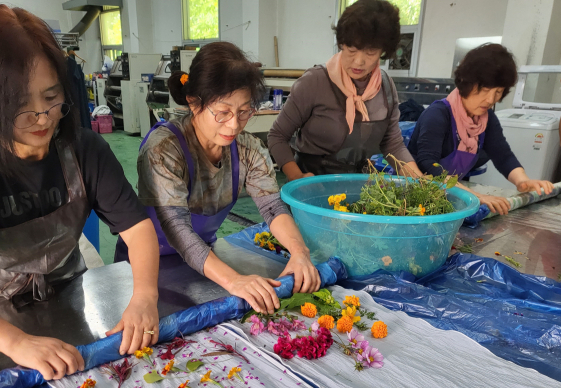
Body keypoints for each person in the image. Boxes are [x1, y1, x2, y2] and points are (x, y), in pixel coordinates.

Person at [0, 5, 160, 380]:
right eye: (20, 104)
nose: (42, 117)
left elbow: (137, 227)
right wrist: (15, 342)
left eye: (51, 97)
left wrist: (145, 296)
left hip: (69, 286)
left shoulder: (83, 152)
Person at [114, 42, 320, 314]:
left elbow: (272, 207)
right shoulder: (164, 149)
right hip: (143, 271)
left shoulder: (246, 150)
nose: (234, 124)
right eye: (222, 112)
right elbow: (176, 228)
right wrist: (233, 280)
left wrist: (299, 253)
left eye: (244, 111)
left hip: (202, 264)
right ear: (193, 101)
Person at [268, 0, 421, 180]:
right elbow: (277, 136)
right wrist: (297, 176)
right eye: (351, 49)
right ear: (341, 43)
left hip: (358, 184)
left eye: (370, 52)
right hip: (312, 184)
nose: (358, 61)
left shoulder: (385, 87)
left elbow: (393, 145)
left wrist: (422, 181)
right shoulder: (315, 82)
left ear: (383, 51)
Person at [408, 43, 554, 215]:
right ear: (466, 83)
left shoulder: (486, 120)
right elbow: (428, 165)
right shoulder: (438, 114)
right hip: (414, 198)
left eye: (498, 92)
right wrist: (474, 196)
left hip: (446, 196)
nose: (491, 99)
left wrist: (523, 182)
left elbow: (504, 156)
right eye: (485, 90)